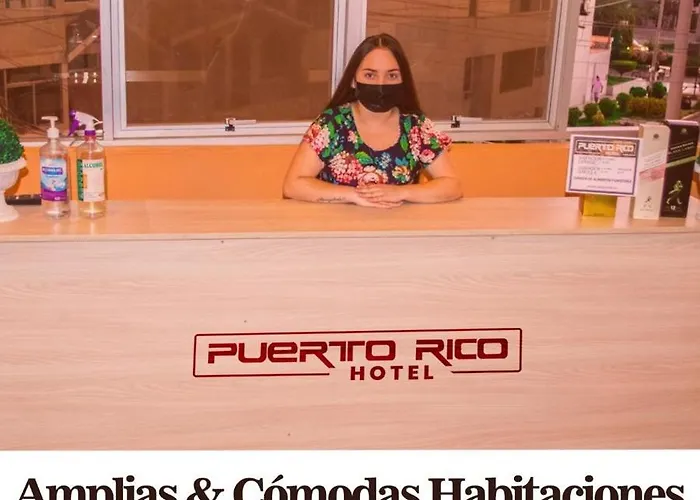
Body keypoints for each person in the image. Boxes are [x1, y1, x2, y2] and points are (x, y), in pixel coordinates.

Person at [282, 33, 462, 208]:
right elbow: (293, 185)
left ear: (403, 80)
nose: (381, 83)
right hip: (338, 227)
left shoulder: (416, 127)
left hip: (398, 226)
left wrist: (401, 192)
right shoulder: (332, 124)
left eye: (392, 75)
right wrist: (354, 196)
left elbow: (452, 185)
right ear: (354, 80)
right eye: (370, 75)